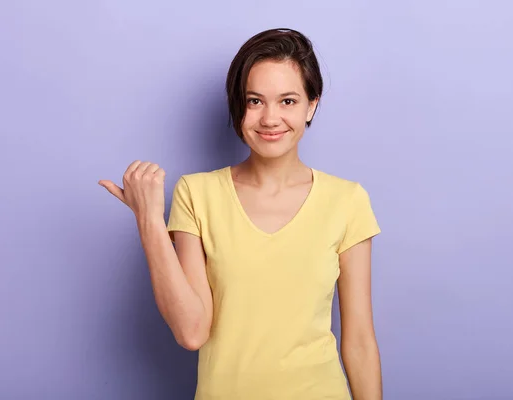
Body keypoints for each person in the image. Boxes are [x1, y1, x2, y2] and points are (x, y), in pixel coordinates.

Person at [99, 28, 382, 400]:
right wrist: (149, 221)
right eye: (254, 101)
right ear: (238, 104)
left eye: (288, 101)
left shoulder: (347, 201)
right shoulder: (197, 195)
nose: (269, 118)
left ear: (312, 104)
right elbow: (192, 331)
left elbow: (359, 341)